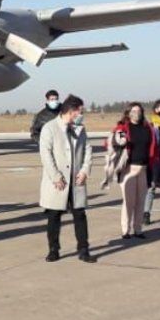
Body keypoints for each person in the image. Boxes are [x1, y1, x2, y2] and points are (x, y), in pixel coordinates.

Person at [38, 95, 95, 263]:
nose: (81, 115)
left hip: (76, 180)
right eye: (80, 111)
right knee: (54, 216)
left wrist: (84, 171)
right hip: (58, 181)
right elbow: (46, 154)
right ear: (71, 111)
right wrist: (56, 176)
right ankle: (53, 249)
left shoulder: (80, 129)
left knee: (80, 215)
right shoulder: (50, 128)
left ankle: (83, 250)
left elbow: (87, 150)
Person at [111, 103, 158, 239]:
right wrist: (121, 140)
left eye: (139, 111)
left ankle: (138, 229)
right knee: (129, 201)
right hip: (128, 169)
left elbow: (153, 147)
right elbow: (116, 141)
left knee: (140, 201)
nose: (136, 113)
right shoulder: (123, 128)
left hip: (144, 168)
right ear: (128, 113)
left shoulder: (148, 128)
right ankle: (125, 230)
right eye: (133, 111)